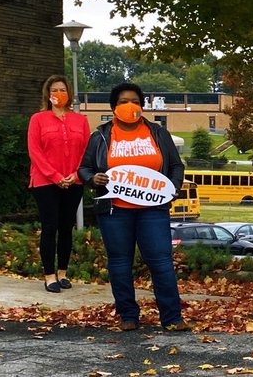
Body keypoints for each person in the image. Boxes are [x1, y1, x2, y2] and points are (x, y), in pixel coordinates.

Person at [78, 82, 189, 331]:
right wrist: (92, 178)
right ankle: (128, 316)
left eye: (135, 101)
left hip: (153, 209)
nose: (130, 106)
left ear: (142, 105)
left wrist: (173, 187)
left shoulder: (158, 133)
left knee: (161, 261)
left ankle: (172, 318)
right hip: (115, 210)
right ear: (114, 106)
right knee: (119, 263)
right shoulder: (101, 135)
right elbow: (84, 168)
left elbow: (176, 165)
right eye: (123, 101)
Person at [27, 74, 89, 293]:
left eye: (62, 89)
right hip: (45, 181)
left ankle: (63, 272)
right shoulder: (38, 119)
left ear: (69, 93)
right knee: (50, 226)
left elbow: (85, 151)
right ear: (48, 93)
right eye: (54, 90)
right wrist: (54, 176)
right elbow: (35, 151)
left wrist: (75, 174)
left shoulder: (80, 120)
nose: (58, 94)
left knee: (66, 227)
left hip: (74, 181)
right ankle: (49, 275)